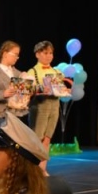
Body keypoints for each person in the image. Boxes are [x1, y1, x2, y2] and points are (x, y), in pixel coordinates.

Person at [27, 41, 66, 174]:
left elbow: (61, 89)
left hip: (54, 105)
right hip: (40, 105)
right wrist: (42, 89)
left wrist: (64, 91)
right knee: (37, 138)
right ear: (37, 54)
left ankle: (42, 169)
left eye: (51, 53)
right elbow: (28, 91)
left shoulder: (56, 72)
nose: (49, 56)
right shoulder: (32, 71)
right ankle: (32, 169)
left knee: (47, 138)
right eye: (45, 53)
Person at [0, 40, 29, 130]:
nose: (17, 58)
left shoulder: (18, 74)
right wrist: (3, 94)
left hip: (16, 114)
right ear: (5, 54)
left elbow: (24, 92)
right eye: (15, 54)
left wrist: (28, 88)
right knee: (4, 139)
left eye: (18, 55)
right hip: (1, 114)